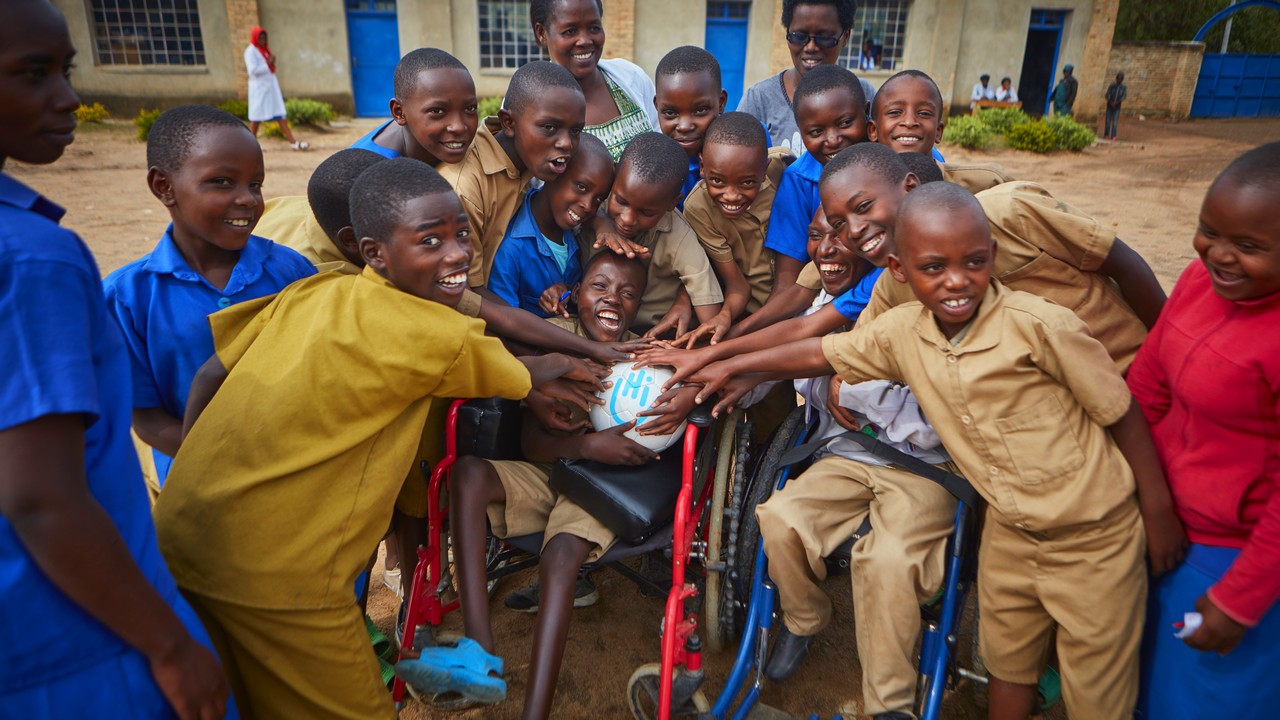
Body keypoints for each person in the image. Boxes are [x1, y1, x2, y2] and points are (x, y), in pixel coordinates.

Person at [687, 182, 1184, 720]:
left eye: (972, 262)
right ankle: (808, 622)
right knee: (1004, 664)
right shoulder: (900, 329)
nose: (955, 281)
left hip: (1092, 529)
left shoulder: (1044, 325)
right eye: (932, 267)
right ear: (899, 271)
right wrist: (726, 365)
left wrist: (1156, 511)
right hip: (1005, 531)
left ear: (991, 256)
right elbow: (818, 348)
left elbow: (1121, 414)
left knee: (1095, 689)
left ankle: (890, 706)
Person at [152, 159, 600, 718]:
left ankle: (400, 655)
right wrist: (584, 359)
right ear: (373, 251)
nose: (458, 253)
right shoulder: (434, 335)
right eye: (431, 241)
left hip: (183, 529)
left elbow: (210, 374)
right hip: (284, 574)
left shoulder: (310, 294)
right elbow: (525, 370)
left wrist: (197, 460)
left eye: (461, 234)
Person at [0, 2, 232, 717]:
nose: (68, 97)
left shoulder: (280, 269)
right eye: (32, 74)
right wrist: (169, 647)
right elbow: (41, 497)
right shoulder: (33, 258)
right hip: (81, 640)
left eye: (64, 70)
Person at [398, 252, 700, 718]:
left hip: (604, 490)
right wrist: (588, 446)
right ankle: (481, 653)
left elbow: (661, 450)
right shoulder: (553, 341)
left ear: (640, 306)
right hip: (555, 468)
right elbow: (532, 444)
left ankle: (534, 713)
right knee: (467, 472)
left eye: (627, 294)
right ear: (576, 292)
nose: (612, 300)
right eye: (600, 286)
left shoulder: (650, 362)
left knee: (560, 555)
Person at [752, 203, 957, 720]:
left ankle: (886, 705)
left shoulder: (931, 312)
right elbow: (812, 391)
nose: (826, 248)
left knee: (884, 561)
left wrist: (862, 395)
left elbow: (941, 425)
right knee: (778, 518)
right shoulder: (823, 305)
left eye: (840, 236)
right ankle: (804, 617)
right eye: (817, 235)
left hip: (922, 468)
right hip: (845, 454)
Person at [1129, 142, 1280, 720]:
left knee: (1203, 699)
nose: (1219, 255)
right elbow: (1146, 388)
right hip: (1161, 524)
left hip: (1234, 560)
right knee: (1144, 687)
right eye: (1208, 231)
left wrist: (1238, 602)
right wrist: (1148, 499)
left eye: (1248, 246)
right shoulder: (1200, 281)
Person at [103, 105, 316, 490]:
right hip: (196, 490)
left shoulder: (291, 273)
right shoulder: (127, 298)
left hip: (295, 478)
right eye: (221, 182)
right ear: (163, 187)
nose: (248, 199)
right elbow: (147, 418)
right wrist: (222, 464)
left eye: (255, 184)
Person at [447, 60, 585, 288]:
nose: (566, 143)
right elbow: (468, 295)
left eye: (575, 130)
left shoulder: (538, 158)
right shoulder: (464, 188)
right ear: (509, 123)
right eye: (549, 127)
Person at [583, 132, 724, 335]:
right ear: (614, 177)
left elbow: (710, 321)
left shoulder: (679, 237)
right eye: (621, 202)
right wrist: (599, 223)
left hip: (652, 333)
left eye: (646, 212)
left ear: (672, 203)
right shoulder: (596, 207)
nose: (628, 219)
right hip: (593, 323)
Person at [681, 112, 793, 344]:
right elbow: (737, 286)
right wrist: (725, 315)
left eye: (747, 182)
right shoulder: (698, 208)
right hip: (752, 315)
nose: (731, 196)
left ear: (764, 170)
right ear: (702, 168)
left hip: (796, 301)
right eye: (718, 181)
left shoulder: (784, 171)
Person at [761, 64, 868, 297]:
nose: (832, 140)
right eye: (816, 132)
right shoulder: (798, 181)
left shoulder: (893, 162)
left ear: (866, 113)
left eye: (845, 123)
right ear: (801, 131)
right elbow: (788, 283)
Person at [490, 134, 614, 316]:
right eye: (581, 187)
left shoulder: (579, 234)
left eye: (598, 199)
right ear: (554, 172)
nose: (588, 206)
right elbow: (504, 323)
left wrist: (570, 291)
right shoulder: (511, 247)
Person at [738, 0, 874, 155]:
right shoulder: (759, 99)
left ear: (846, 37)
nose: (810, 47)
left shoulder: (862, 93)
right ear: (787, 33)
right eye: (799, 36)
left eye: (825, 38)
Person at [531, 0, 658, 161]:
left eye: (594, 28)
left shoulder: (631, 77)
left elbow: (664, 142)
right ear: (541, 33)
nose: (584, 40)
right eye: (570, 31)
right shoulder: (527, 100)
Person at [349, 48, 478, 168]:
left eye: (470, 108)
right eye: (437, 111)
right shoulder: (371, 174)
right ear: (399, 112)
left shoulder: (417, 130)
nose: (459, 127)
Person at [653, 45, 728, 206]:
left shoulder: (746, 147)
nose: (684, 126)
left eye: (700, 110)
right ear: (656, 105)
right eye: (671, 113)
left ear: (721, 102)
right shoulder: (652, 167)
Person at [243, 26, 306, 149]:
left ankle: (293, 143)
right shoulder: (250, 51)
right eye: (260, 37)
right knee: (256, 118)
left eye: (264, 37)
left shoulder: (264, 50)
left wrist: (269, 63)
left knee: (279, 115)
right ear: (255, 37)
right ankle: (250, 146)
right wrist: (268, 63)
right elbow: (252, 71)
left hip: (270, 89)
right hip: (260, 90)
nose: (262, 39)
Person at [1104, 71, 1127, 141]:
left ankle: (1113, 135)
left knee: (1115, 122)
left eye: (1120, 79)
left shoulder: (1123, 87)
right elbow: (1107, 94)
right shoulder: (1112, 86)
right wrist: (1110, 102)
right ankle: (1106, 134)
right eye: (1118, 79)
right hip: (1109, 105)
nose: (1119, 80)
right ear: (1116, 78)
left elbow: (1124, 96)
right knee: (1108, 121)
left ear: (1122, 79)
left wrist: (1116, 103)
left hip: (1117, 106)